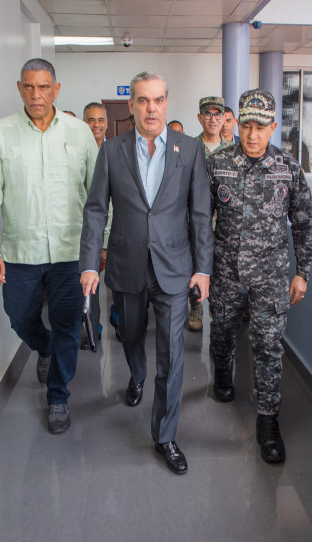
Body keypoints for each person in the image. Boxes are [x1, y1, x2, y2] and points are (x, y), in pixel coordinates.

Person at [80, 71, 213, 475]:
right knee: (131, 335)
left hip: (174, 268)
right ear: (132, 106)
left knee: (172, 356)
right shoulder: (112, 151)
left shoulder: (190, 150)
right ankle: (136, 376)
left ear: (166, 103)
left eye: (157, 100)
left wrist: (203, 269)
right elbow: (96, 210)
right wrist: (89, 264)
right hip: (127, 265)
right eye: (142, 100)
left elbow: (200, 213)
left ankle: (165, 435)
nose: (151, 108)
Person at [0, 58, 98, 434]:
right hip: (19, 252)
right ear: (19, 88)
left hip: (70, 252)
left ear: (56, 90)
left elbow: (97, 194)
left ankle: (58, 396)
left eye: (44, 87)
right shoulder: (1, 134)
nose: (36, 95)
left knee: (67, 326)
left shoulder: (80, 133)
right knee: (18, 316)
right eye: (29, 87)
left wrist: (101, 245)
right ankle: (43, 347)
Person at [207, 89, 312, 464]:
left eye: (261, 127)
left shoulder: (288, 168)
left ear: (273, 127)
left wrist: (302, 272)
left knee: (268, 345)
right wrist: (200, 268)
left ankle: (268, 418)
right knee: (222, 330)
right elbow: (199, 220)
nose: (253, 135)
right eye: (247, 126)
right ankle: (223, 372)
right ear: (237, 124)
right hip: (226, 271)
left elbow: (303, 223)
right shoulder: (217, 164)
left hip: (271, 274)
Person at [189, 96, 233, 332]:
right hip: (196, 222)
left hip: (224, 225)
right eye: (208, 114)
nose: (213, 119)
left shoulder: (232, 151)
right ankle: (196, 307)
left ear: (224, 118)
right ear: (200, 118)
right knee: (195, 265)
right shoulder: (190, 148)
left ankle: (217, 309)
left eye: (218, 115)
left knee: (220, 271)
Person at [82, 102, 120, 343]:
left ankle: (118, 318)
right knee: (90, 283)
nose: (96, 124)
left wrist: (106, 241)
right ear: (83, 123)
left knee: (119, 282)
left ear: (106, 123)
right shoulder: (77, 153)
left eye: (100, 120)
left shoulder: (117, 152)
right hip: (88, 233)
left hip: (116, 232)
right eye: (90, 120)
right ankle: (92, 326)